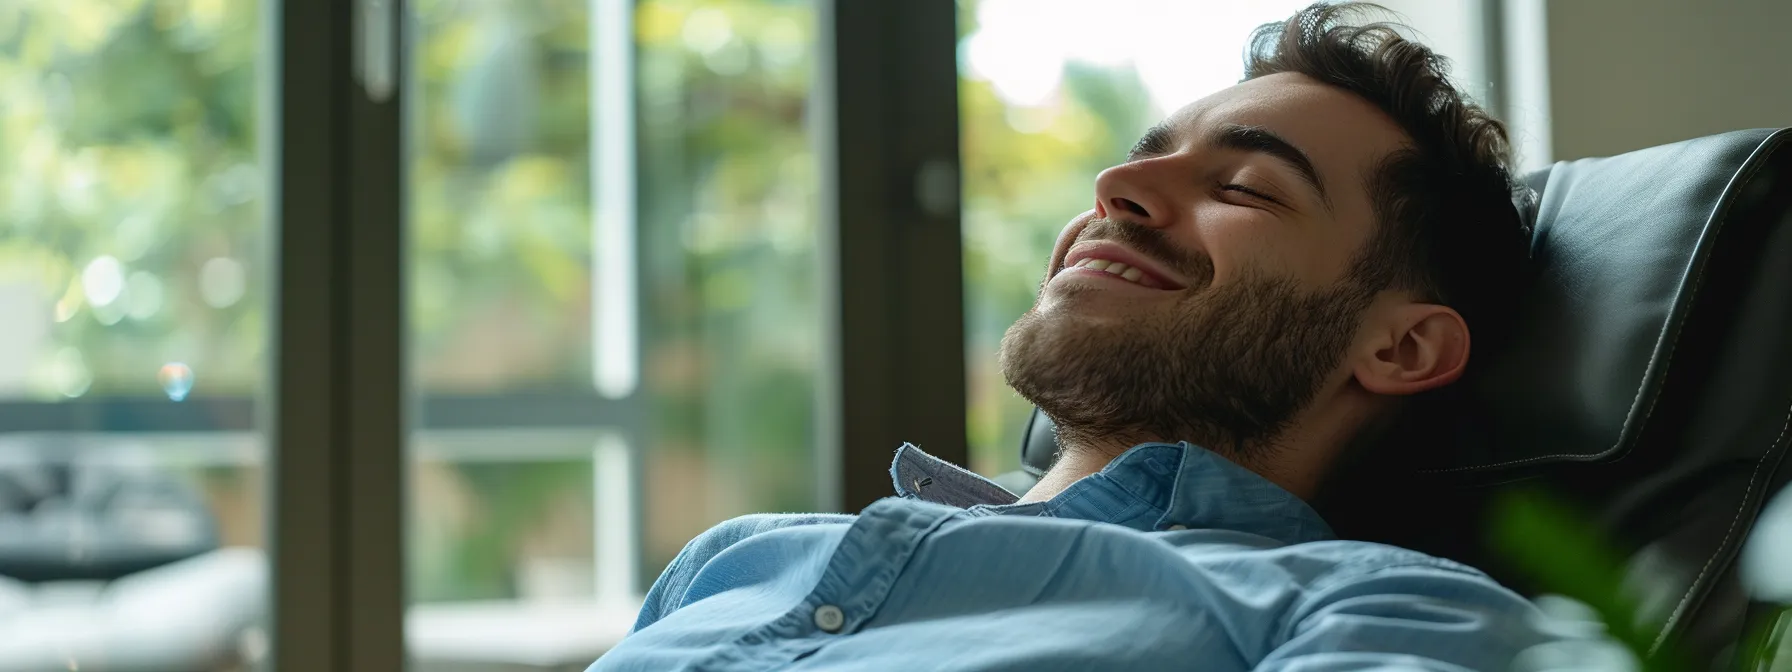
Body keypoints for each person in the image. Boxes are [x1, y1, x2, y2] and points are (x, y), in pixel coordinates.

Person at [592, 3, 1561, 670]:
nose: (1114, 190)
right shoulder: (740, 559)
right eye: (1141, 162)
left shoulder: (1393, 616)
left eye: (1243, 188)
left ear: (1400, 349)